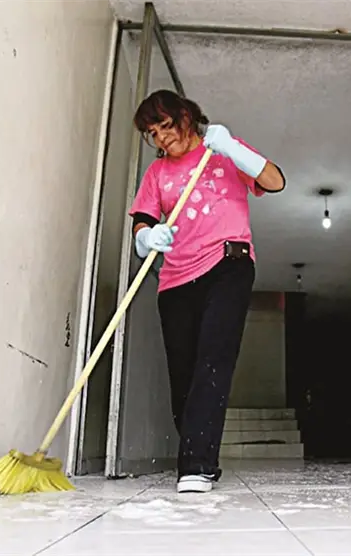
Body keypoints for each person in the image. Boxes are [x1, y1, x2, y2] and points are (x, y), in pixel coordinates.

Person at [128, 89, 285, 493]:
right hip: (175, 280)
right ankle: (200, 456)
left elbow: (275, 181)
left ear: (187, 116)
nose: (162, 137)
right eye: (152, 133)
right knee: (183, 375)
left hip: (228, 265)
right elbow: (142, 221)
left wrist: (233, 148)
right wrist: (146, 238)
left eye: (166, 126)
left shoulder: (224, 152)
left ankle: (196, 464)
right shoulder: (157, 173)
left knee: (213, 360)